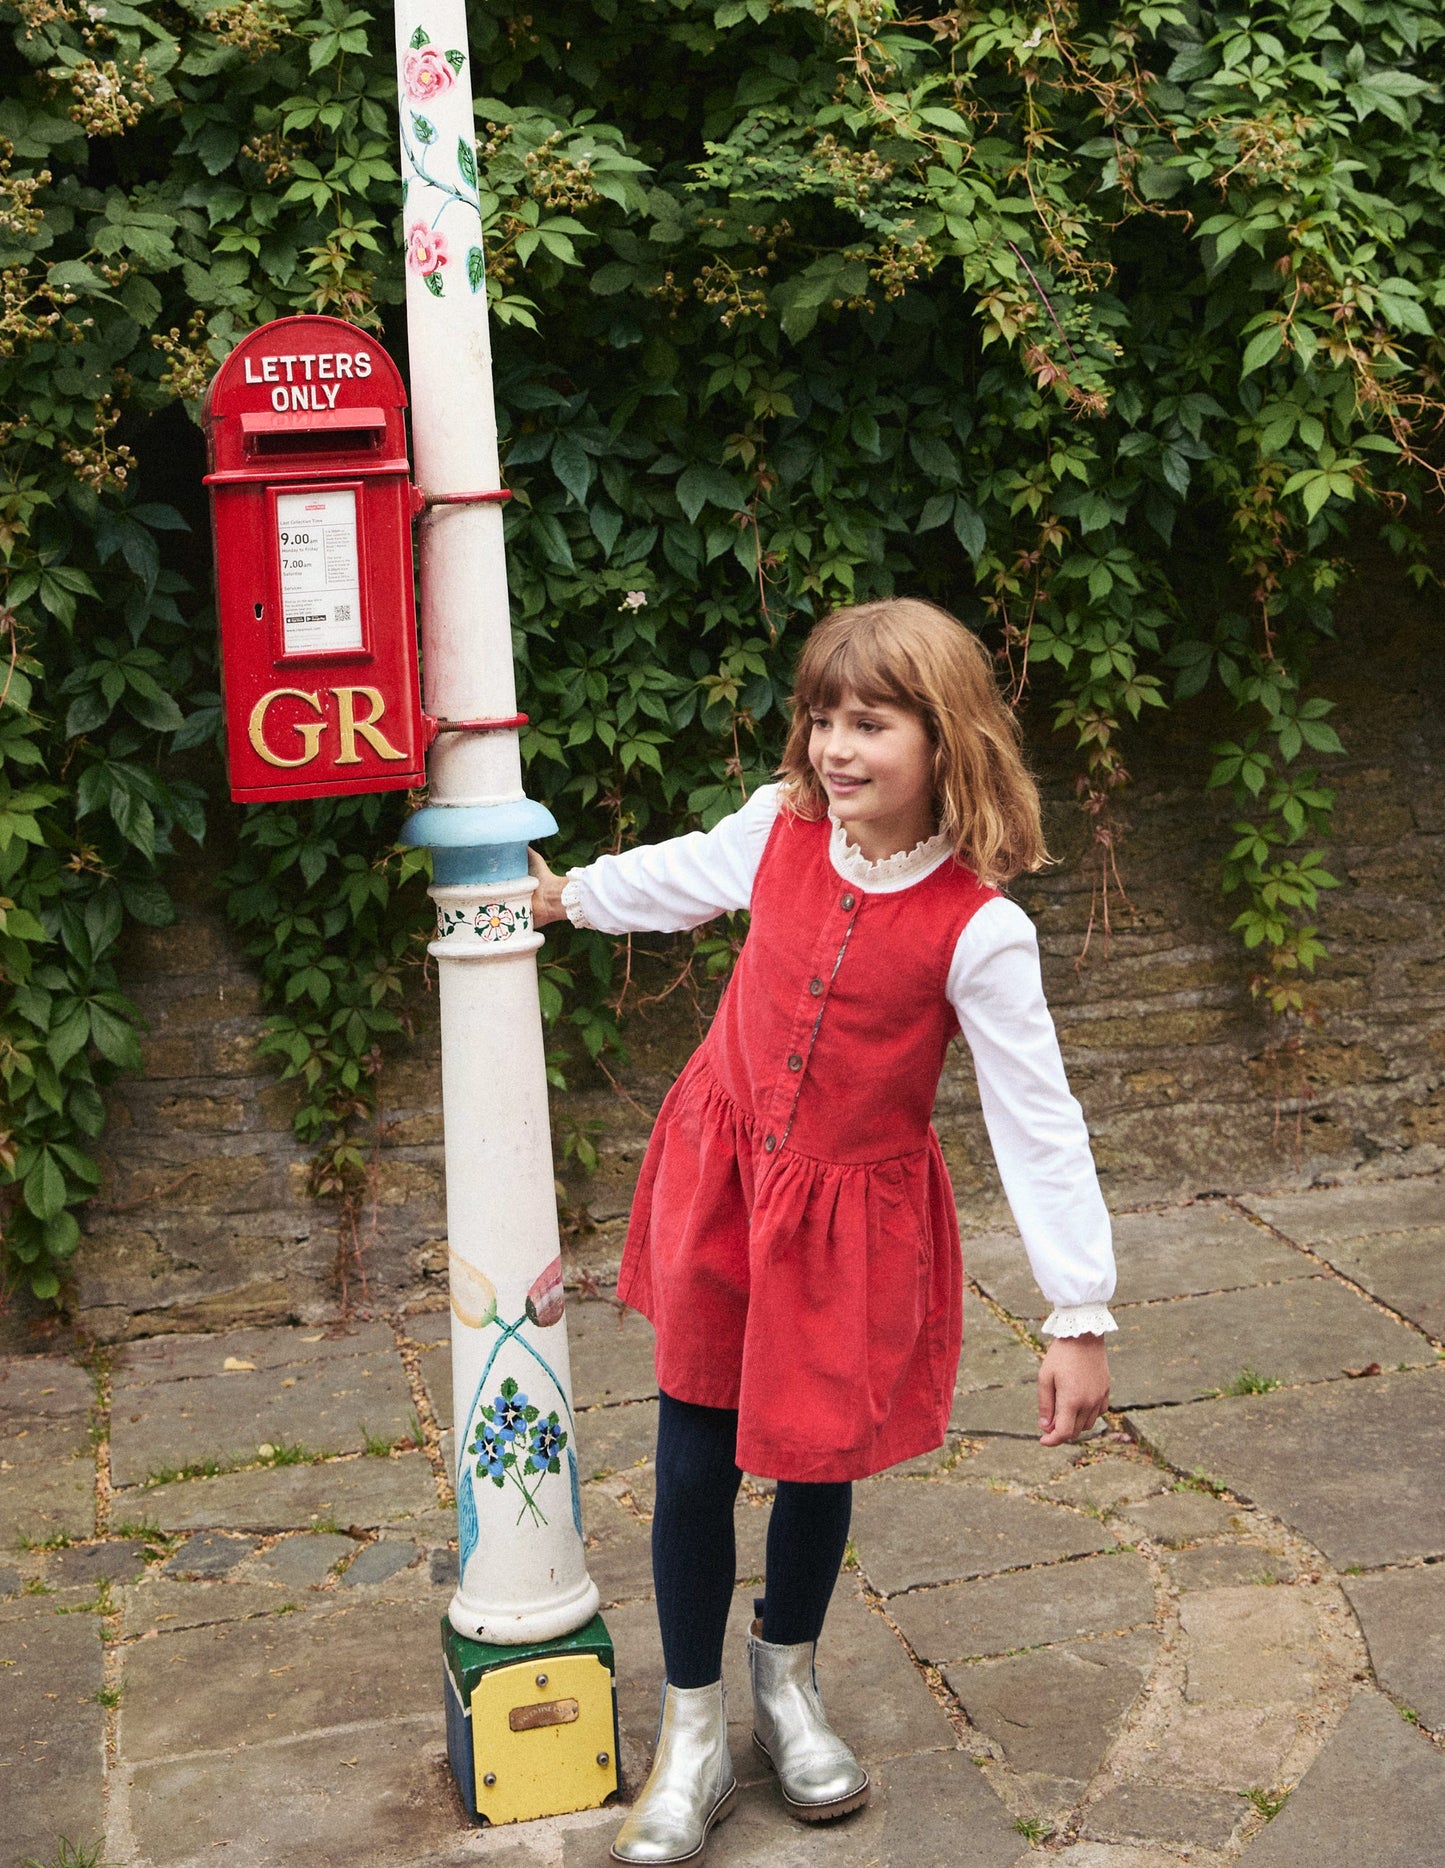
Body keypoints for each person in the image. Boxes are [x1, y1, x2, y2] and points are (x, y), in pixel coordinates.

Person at [529, 597, 1116, 1865]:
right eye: (822, 717)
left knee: (813, 1457)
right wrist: (567, 895)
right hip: (727, 1182)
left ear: (942, 737)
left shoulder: (980, 926)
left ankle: (785, 1685)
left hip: (851, 1222)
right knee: (691, 1444)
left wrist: (1077, 1308)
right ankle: (691, 1732)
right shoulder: (779, 826)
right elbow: (679, 873)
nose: (836, 746)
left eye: (871, 722)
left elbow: (1037, 1119)